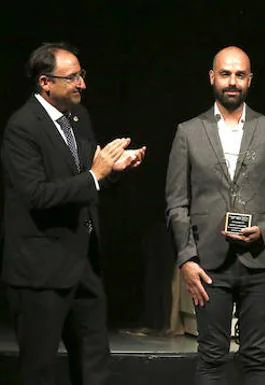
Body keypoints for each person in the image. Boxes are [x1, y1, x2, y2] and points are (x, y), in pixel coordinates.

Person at [1, 42, 146, 385]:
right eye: (73, 78)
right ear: (45, 83)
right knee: (38, 369)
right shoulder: (22, 128)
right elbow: (36, 195)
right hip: (40, 270)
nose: (82, 84)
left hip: (83, 264)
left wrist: (114, 170)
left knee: (94, 364)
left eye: (82, 75)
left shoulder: (78, 118)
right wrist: (96, 174)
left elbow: (86, 183)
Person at [165, 46, 265, 385]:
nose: (232, 81)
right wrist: (186, 258)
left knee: (257, 356)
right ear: (212, 77)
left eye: (240, 75)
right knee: (211, 356)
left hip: (260, 259)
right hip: (209, 264)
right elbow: (176, 203)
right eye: (225, 74)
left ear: (250, 80)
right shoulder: (188, 132)